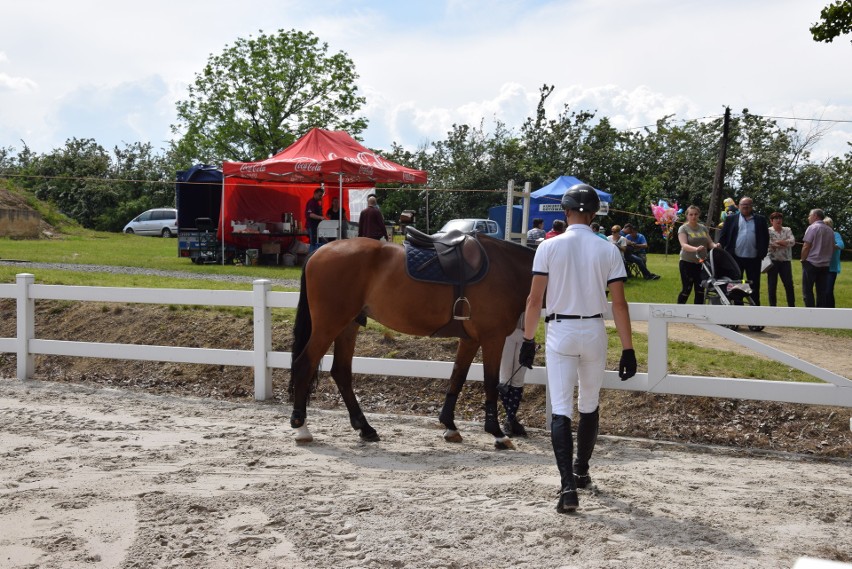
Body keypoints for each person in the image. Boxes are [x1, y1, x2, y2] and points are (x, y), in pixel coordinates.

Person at [519, 183, 636, 514]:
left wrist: (528, 340)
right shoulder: (608, 249)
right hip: (594, 329)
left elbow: (534, 299)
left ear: (566, 212)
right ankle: (581, 469)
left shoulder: (548, 247)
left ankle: (567, 488)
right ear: (595, 213)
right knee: (589, 405)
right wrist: (628, 349)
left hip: (561, 330)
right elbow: (620, 305)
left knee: (561, 409)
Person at [718, 197, 769, 306]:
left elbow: (765, 238)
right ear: (738, 206)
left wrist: (762, 253)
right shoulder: (731, 219)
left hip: (754, 258)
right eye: (743, 205)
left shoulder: (760, 220)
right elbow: (723, 237)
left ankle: (754, 319)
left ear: (752, 206)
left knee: (754, 287)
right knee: (735, 287)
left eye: (748, 205)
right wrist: (719, 250)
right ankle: (737, 315)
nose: (745, 207)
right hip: (735, 258)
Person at [677, 205, 718, 304]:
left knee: (700, 290)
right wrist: (696, 249)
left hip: (702, 263)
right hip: (687, 262)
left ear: (699, 215)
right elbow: (684, 245)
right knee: (687, 289)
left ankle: (698, 315)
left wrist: (716, 246)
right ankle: (679, 309)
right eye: (691, 214)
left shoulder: (703, 228)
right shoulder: (683, 228)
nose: (693, 217)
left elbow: (709, 243)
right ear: (687, 216)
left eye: (695, 214)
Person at [498, 314, 528, 437]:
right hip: (507, 332)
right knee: (505, 378)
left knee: (518, 379)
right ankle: (511, 421)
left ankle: (510, 420)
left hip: (526, 333)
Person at [800, 208, 834, 308]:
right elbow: (832, 247)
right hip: (825, 265)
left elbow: (806, 245)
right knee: (821, 292)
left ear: (815, 216)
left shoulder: (813, 228)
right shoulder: (830, 230)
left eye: (810, 215)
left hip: (811, 263)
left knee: (807, 291)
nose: (808, 218)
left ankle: (810, 314)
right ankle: (820, 314)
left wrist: (803, 259)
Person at [766, 212, 796, 307]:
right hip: (773, 261)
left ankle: (791, 306)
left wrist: (778, 242)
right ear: (771, 221)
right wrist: (784, 243)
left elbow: (792, 242)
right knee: (772, 285)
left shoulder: (787, 230)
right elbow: (769, 244)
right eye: (776, 219)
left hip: (785, 261)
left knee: (789, 285)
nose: (778, 220)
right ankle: (772, 306)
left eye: (780, 218)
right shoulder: (768, 231)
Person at [824, 217, 844, 308]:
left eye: (828, 225)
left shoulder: (835, 234)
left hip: (831, 268)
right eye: (825, 225)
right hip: (821, 267)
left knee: (828, 291)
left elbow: (841, 245)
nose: (826, 227)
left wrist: (830, 245)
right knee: (821, 291)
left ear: (831, 226)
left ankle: (831, 310)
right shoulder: (821, 235)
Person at [305, 187, 325, 252]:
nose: (320, 197)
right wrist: (320, 217)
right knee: (313, 243)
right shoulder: (311, 202)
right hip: (312, 226)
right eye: (319, 195)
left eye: (321, 196)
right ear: (315, 193)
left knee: (316, 242)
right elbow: (310, 214)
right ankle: (309, 258)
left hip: (316, 226)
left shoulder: (316, 203)